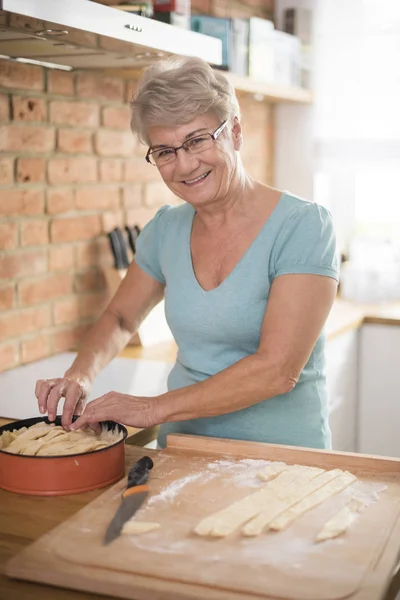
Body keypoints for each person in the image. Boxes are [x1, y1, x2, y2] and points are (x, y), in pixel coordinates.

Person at [36, 57, 339, 450]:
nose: (185, 164)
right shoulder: (166, 228)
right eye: (164, 151)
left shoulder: (304, 226)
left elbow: (276, 370)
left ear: (235, 131)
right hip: (183, 451)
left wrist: (152, 409)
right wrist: (80, 375)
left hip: (284, 460)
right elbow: (121, 317)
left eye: (197, 140)